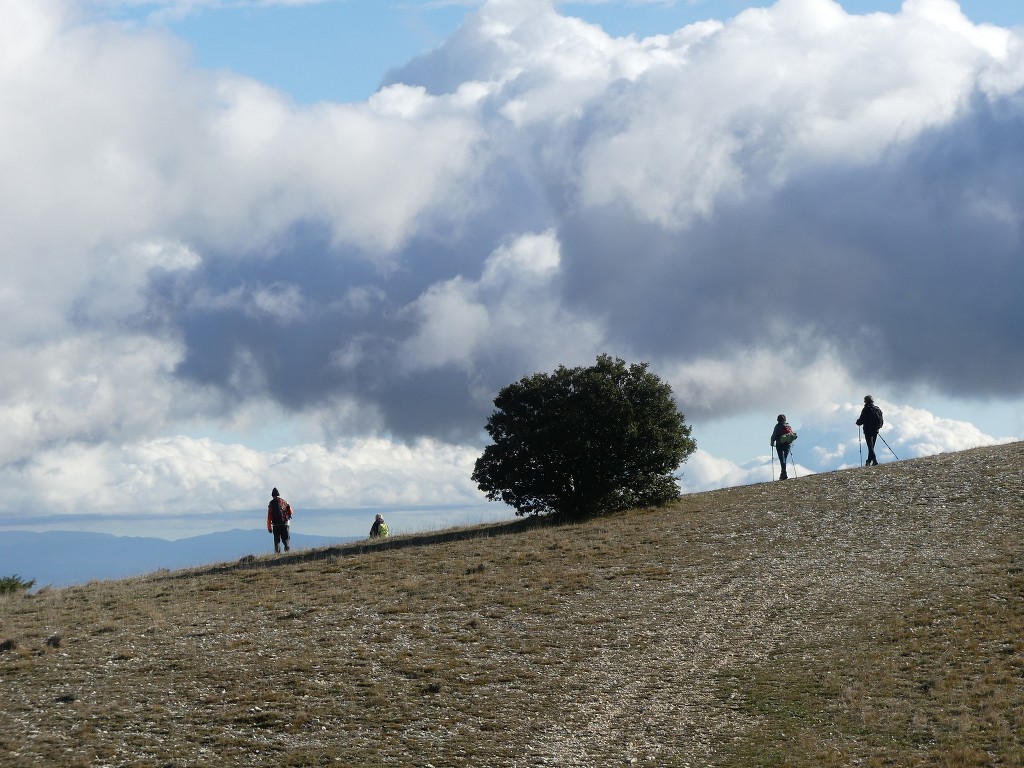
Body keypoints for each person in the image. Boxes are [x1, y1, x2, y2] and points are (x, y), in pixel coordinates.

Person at [856, 395, 884, 466]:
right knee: (872, 446)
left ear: (865, 401)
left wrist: (858, 422)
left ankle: (874, 460)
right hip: (876, 430)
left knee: (870, 446)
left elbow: (861, 420)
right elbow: (881, 419)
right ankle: (868, 461)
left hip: (868, 431)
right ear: (872, 401)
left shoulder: (865, 409)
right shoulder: (877, 409)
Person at [266, 488, 294, 553]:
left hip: (276, 525)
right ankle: (287, 551)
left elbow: (269, 516)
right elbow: (291, 512)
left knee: (277, 540)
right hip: (285, 523)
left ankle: (277, 554)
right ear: (278, 494)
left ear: (272, 495)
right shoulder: (284, 501)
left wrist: (269, 527)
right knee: (286, 539)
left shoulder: (271, 503)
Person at [769, 414, 795, 480]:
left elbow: (774, 435)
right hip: (787, 444)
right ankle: (783, 473)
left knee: (782, 459)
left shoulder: (778, 426)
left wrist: (772, 443)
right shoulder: (788, 425)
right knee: (784, 459)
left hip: (780, 444)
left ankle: (783, 474)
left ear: (778, 420)